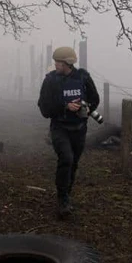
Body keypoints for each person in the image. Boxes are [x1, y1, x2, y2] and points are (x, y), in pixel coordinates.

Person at [37, 46, 100, 219]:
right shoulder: (50, 81)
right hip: (59, 128)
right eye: (55, 61)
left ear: (68, 63)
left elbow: (95, 99)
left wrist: (84, 107)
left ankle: (66, 192)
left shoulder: (83, 77)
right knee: (66, 158)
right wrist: (65, 106)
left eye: (58, 62)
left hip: (79, 128)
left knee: (74, 163)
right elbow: (44, 108)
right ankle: (62, 198)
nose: (55, 65)